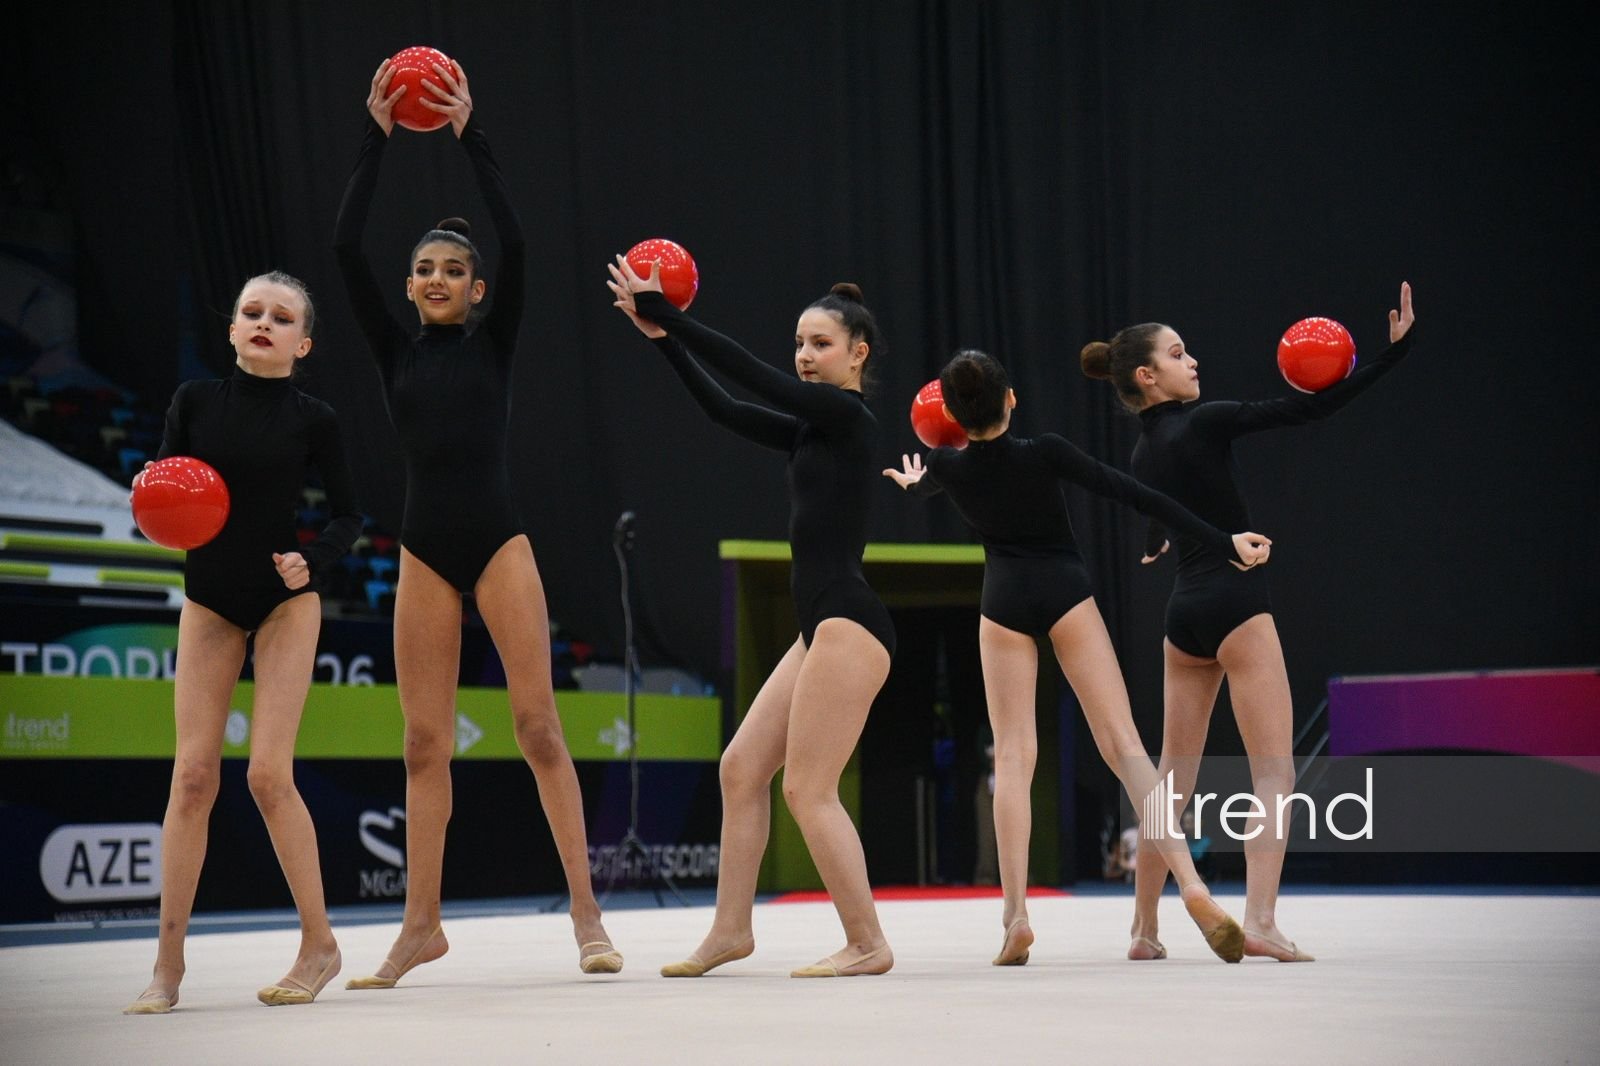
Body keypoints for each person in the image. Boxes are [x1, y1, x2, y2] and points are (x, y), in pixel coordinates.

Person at [333, 58, 617, 985]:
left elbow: (521, 244)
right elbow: (343, 248)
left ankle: (588, 917)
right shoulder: (393, 352)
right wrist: (378, 139)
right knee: (423, 742)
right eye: (425, 270)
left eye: (456, 269)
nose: (440, 277)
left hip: (498, 543)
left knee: (539, 727)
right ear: (411, 289)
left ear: (478, 290)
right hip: (424, 549)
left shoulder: (495, 342)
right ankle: (421, 926)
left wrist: (469, 139)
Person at [885, 349, 1267, 964]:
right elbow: (1135, 494)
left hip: (1003, 600)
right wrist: (1222, 540)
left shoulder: (948, 466)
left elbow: (941, 472)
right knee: (1125, 748)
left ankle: (1014, 915)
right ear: (1012, 400)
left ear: (954, 417)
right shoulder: (1047, 452)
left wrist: (920, 479)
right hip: (1065, 591)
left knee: (1012, 757)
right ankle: (1192, 886)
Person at [1080, 282, 1416, 962]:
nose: (1193, 360)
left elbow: (1157, 511)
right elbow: (1308, 408)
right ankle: (1260, 919)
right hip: (1236, 605)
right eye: (1178, 354)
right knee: (1273, 772)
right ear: (1147, 376)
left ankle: (1144, 930)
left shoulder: (1144, 451)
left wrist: (1152, 541)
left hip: (1184, 620)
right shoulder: (1207, 421)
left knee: (1170, 784)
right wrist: (1392, 355)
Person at [607, 259, 895, 978]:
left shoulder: (847, 416)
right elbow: (726, 409)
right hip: (820, 629)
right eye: (799, 342)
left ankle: (868, 942)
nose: (803, 355)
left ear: (857, 353)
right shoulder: (811, 431)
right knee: (742, 769)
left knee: (806, 787)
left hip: (849, 625)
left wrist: (672, 317)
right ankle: (730, 931)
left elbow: (753, 378)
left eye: (820, 343)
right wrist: (661, 340)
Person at [124, 272, 362, 1013]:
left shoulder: (315, 418)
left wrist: (311, 560)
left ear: (304, 342)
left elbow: (349, 517)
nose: (264, 322)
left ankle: (319, 945)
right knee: (193, 776)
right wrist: (149, 497)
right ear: (231, 329)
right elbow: (164, 488)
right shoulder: (193, 402)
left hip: (286, 600)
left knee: (267, 774)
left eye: (281, 316)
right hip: (210, 600)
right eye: (252, 312)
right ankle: (167, 968)